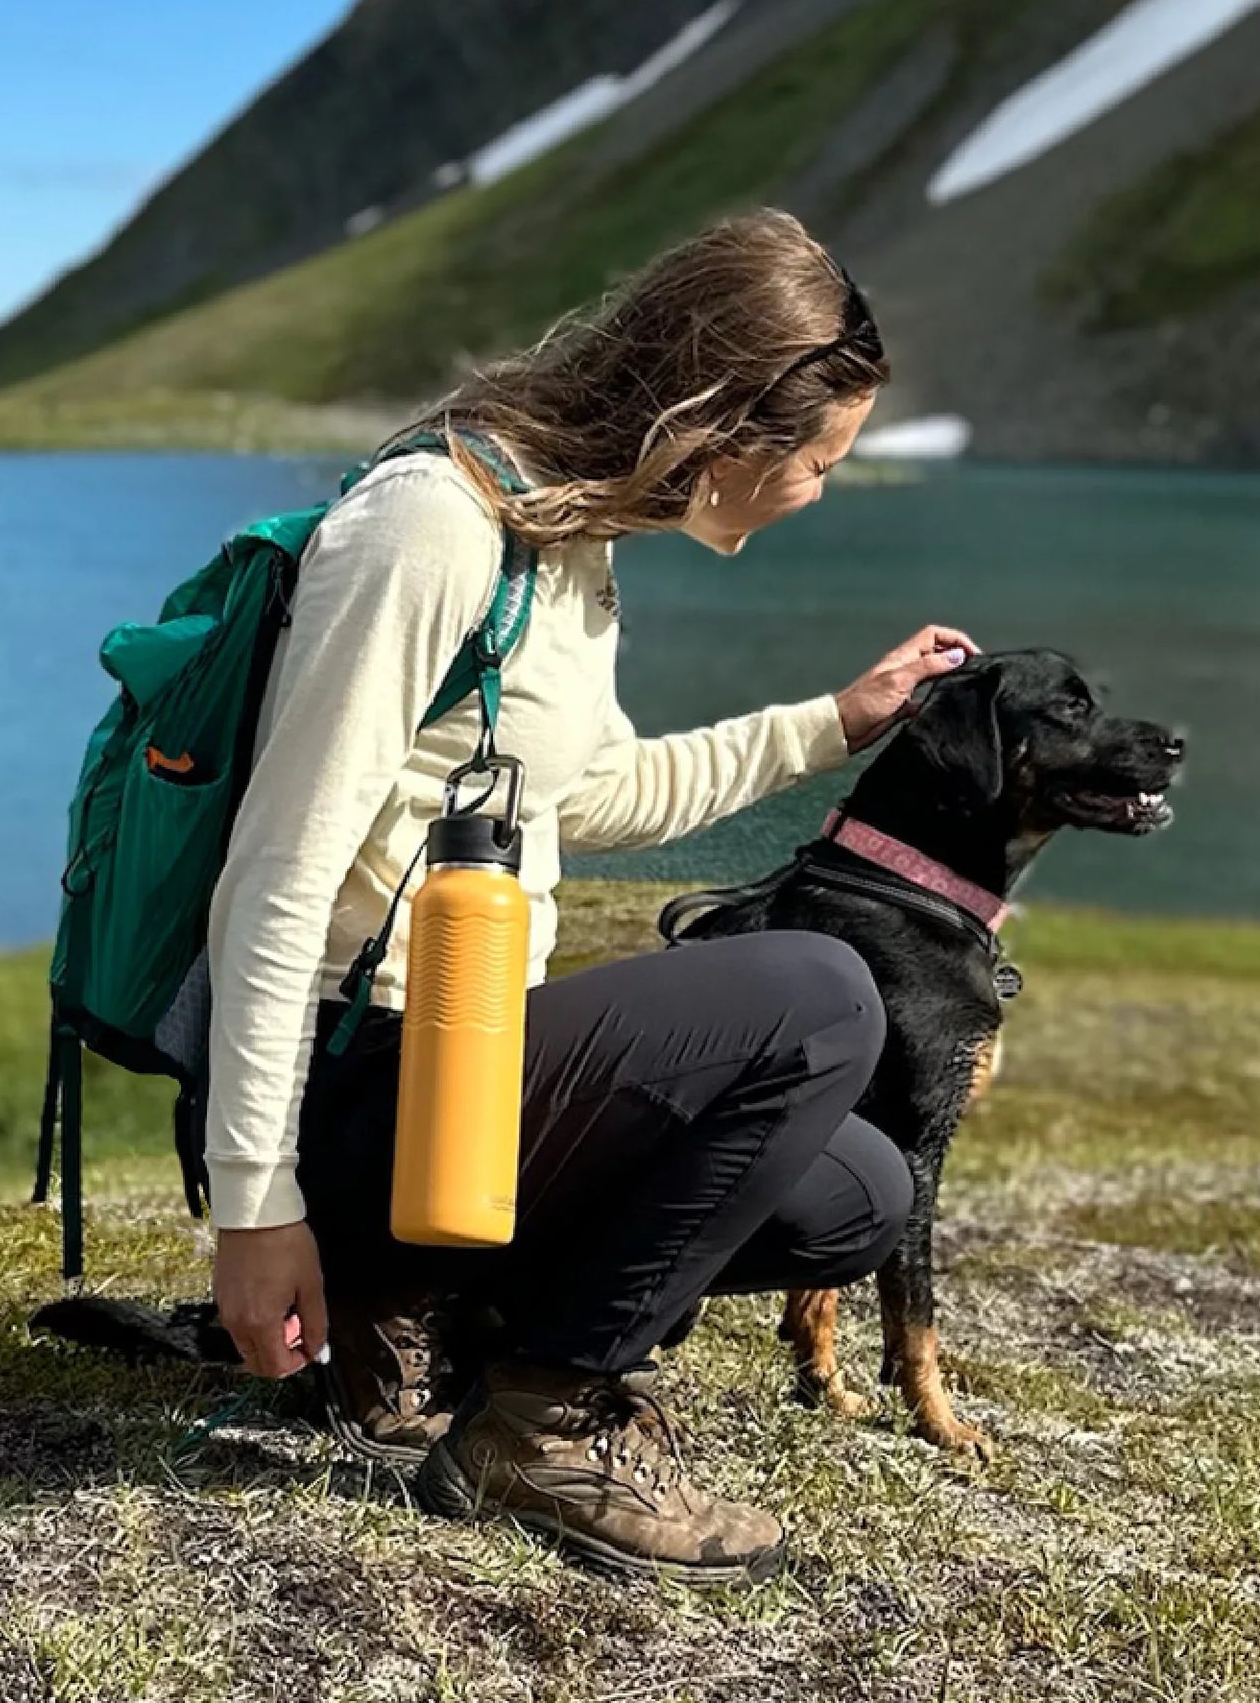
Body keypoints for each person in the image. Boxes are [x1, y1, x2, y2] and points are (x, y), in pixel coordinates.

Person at [199, 208, 968, 1587]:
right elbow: (277, 876)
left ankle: (416, 1307)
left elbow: (585, 795)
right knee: (817, 998)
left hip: (448, 1084)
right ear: (726, 423)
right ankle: (543, 1417)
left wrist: (837, 721)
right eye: (818, 459)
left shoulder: (566, 535)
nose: (819, 489)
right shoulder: (432, 528)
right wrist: (255, 1210)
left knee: (850, 1196)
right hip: (353, 1086)